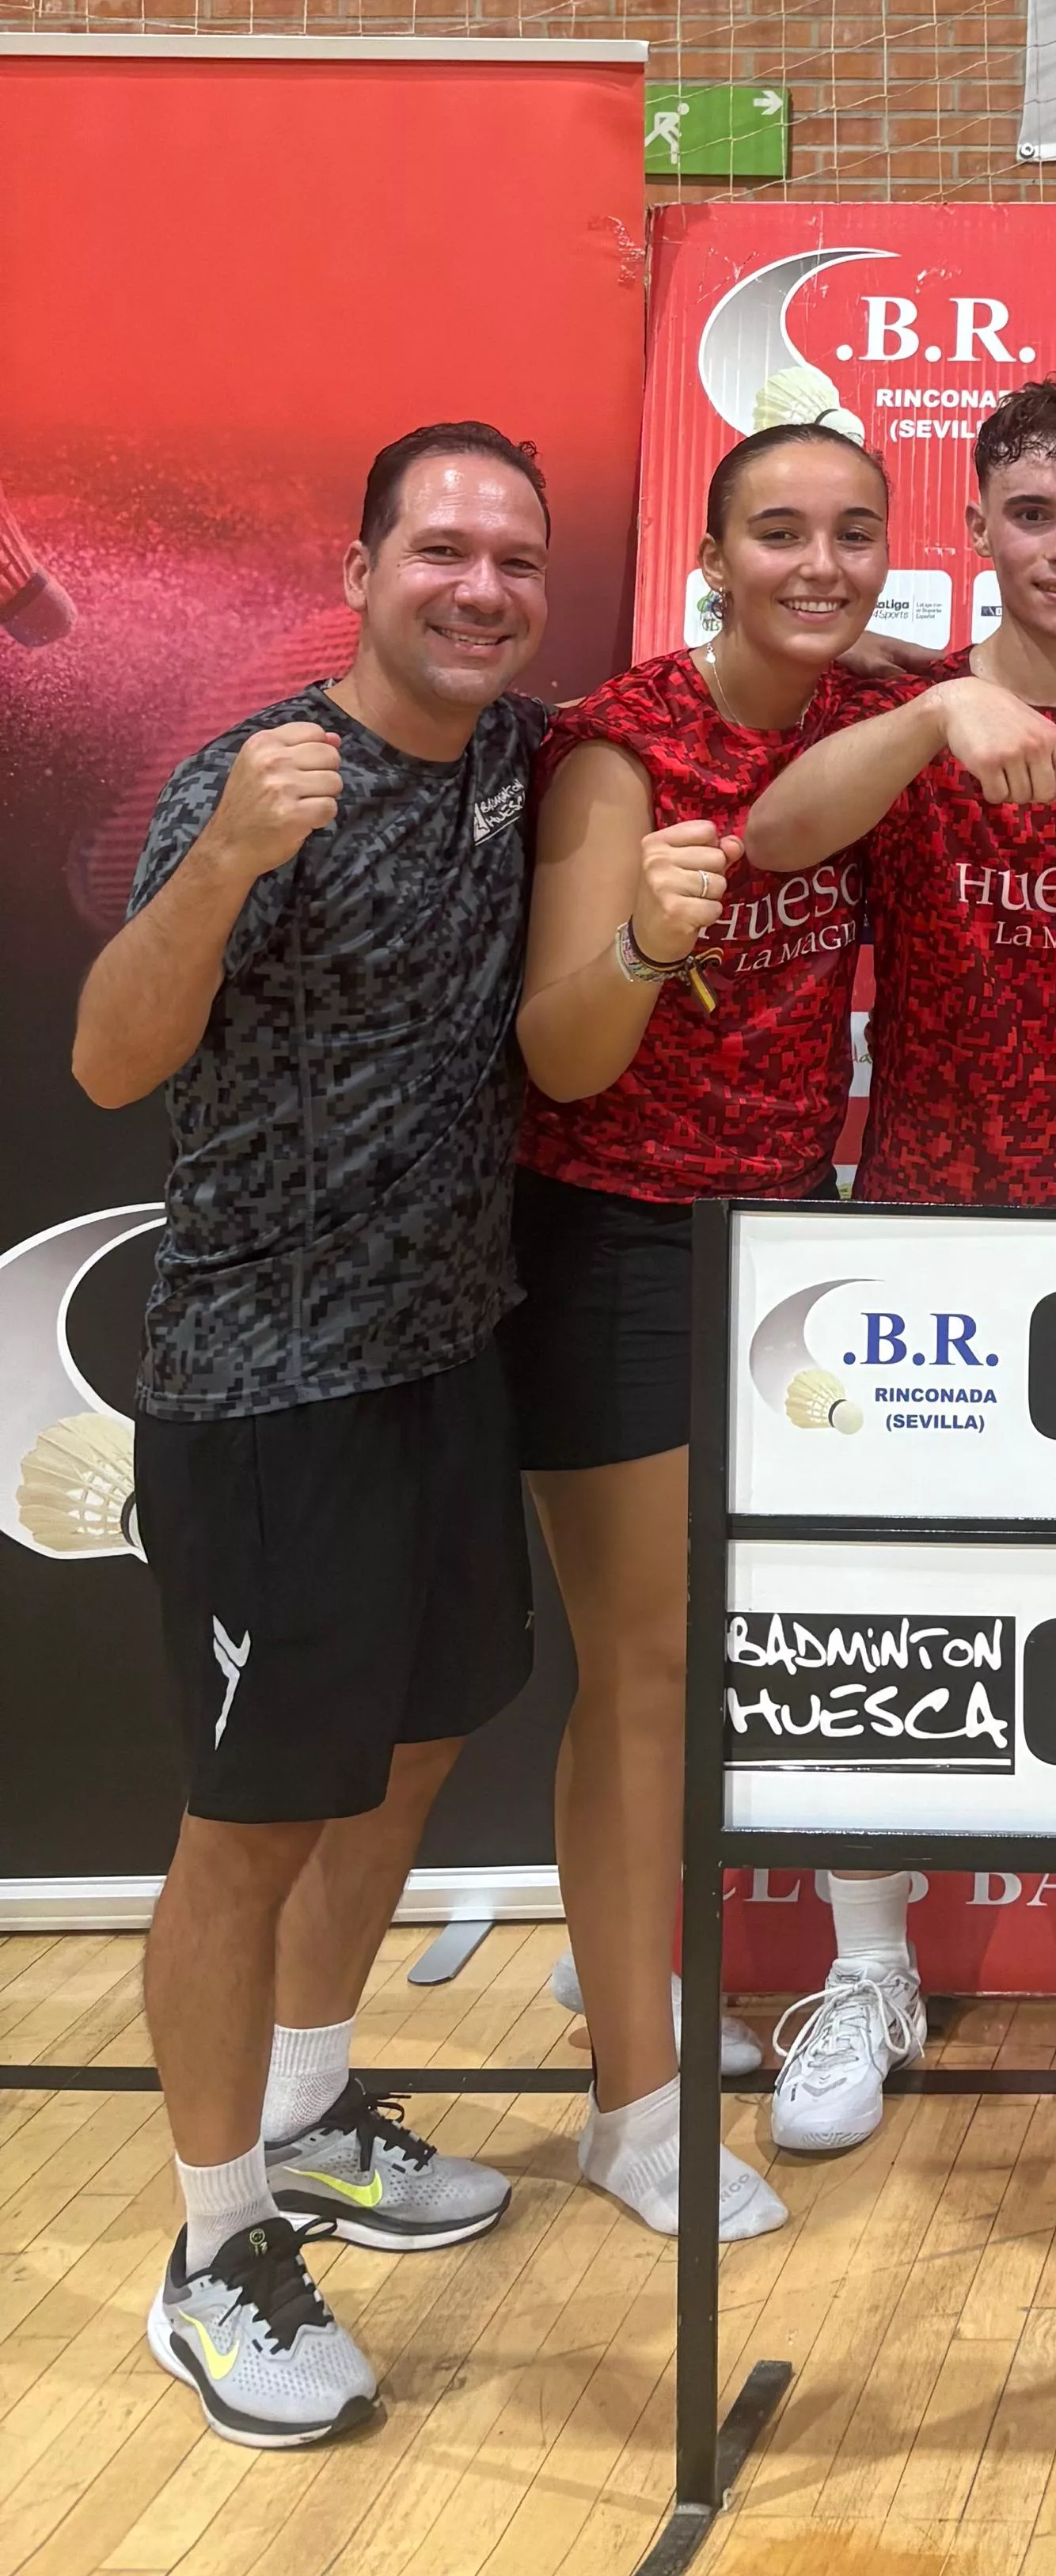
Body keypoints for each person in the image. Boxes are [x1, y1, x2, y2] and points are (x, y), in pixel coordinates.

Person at [72, 425, 553, 2449]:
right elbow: (111, 1060)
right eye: (440, 549)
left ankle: (311, 2106)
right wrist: (222, 866)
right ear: (359, 571)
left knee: (421, 1743)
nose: (479, 585)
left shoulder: (522, 763)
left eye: (513, 557)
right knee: (249, 1825)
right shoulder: (257, 777)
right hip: (265, 1390)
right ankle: (212, 2250)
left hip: (447, 1359)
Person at [742, 379, 1056, 2146]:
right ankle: (868, 1969)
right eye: (1031, 514)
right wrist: (941, 703)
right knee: (877, 1622)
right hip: (918, 1253)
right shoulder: (894, 714)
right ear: (977, 529)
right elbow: (774, 835)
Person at [511, 419, 934, 2229]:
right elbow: (559, 1052)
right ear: (711, 555)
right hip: (618, 1236)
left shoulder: (875, 708)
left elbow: (1027, 679)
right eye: (778, 531)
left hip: (789, 1240)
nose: (818, 564)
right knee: (645, 1674)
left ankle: (639, 1991)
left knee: (736, 1658)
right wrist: (640, 945)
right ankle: (633, 2106)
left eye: (851, 532)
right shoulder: (626, 743)